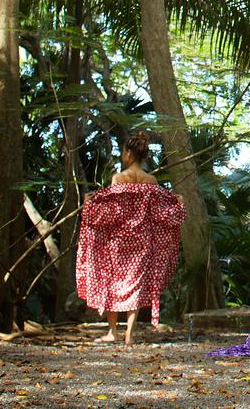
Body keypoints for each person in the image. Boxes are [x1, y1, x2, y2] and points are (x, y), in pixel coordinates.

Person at [76, 131, 185, 346]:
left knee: (113, 283)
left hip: (118, 241)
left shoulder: (118, 179)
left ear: (128, 153)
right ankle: (129, 335)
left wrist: (90, 203)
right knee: (134, 286)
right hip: (142, 243)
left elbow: (111, 212)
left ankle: (113, 332)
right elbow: (162, 215)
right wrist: (178, 204)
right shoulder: (151, 181)